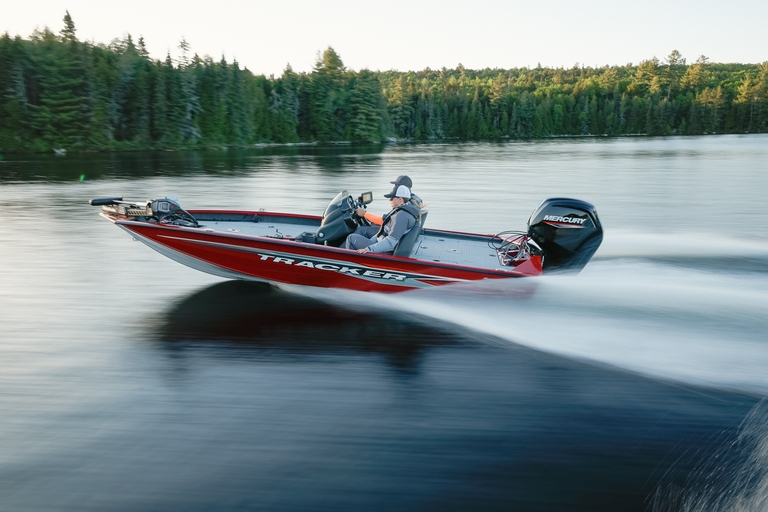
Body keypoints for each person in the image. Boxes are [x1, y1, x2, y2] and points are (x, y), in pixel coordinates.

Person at [345, 185, 421, 254]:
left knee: (351, 238)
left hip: (385, 251)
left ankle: (351, 264)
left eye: (392, 198)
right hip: (380, 243)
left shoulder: (401, 216)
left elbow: (390, 243)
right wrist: (373, 241)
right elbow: (385, 230)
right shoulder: (402, 210)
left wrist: (369, 249)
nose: (389, 200)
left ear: (400, 199)